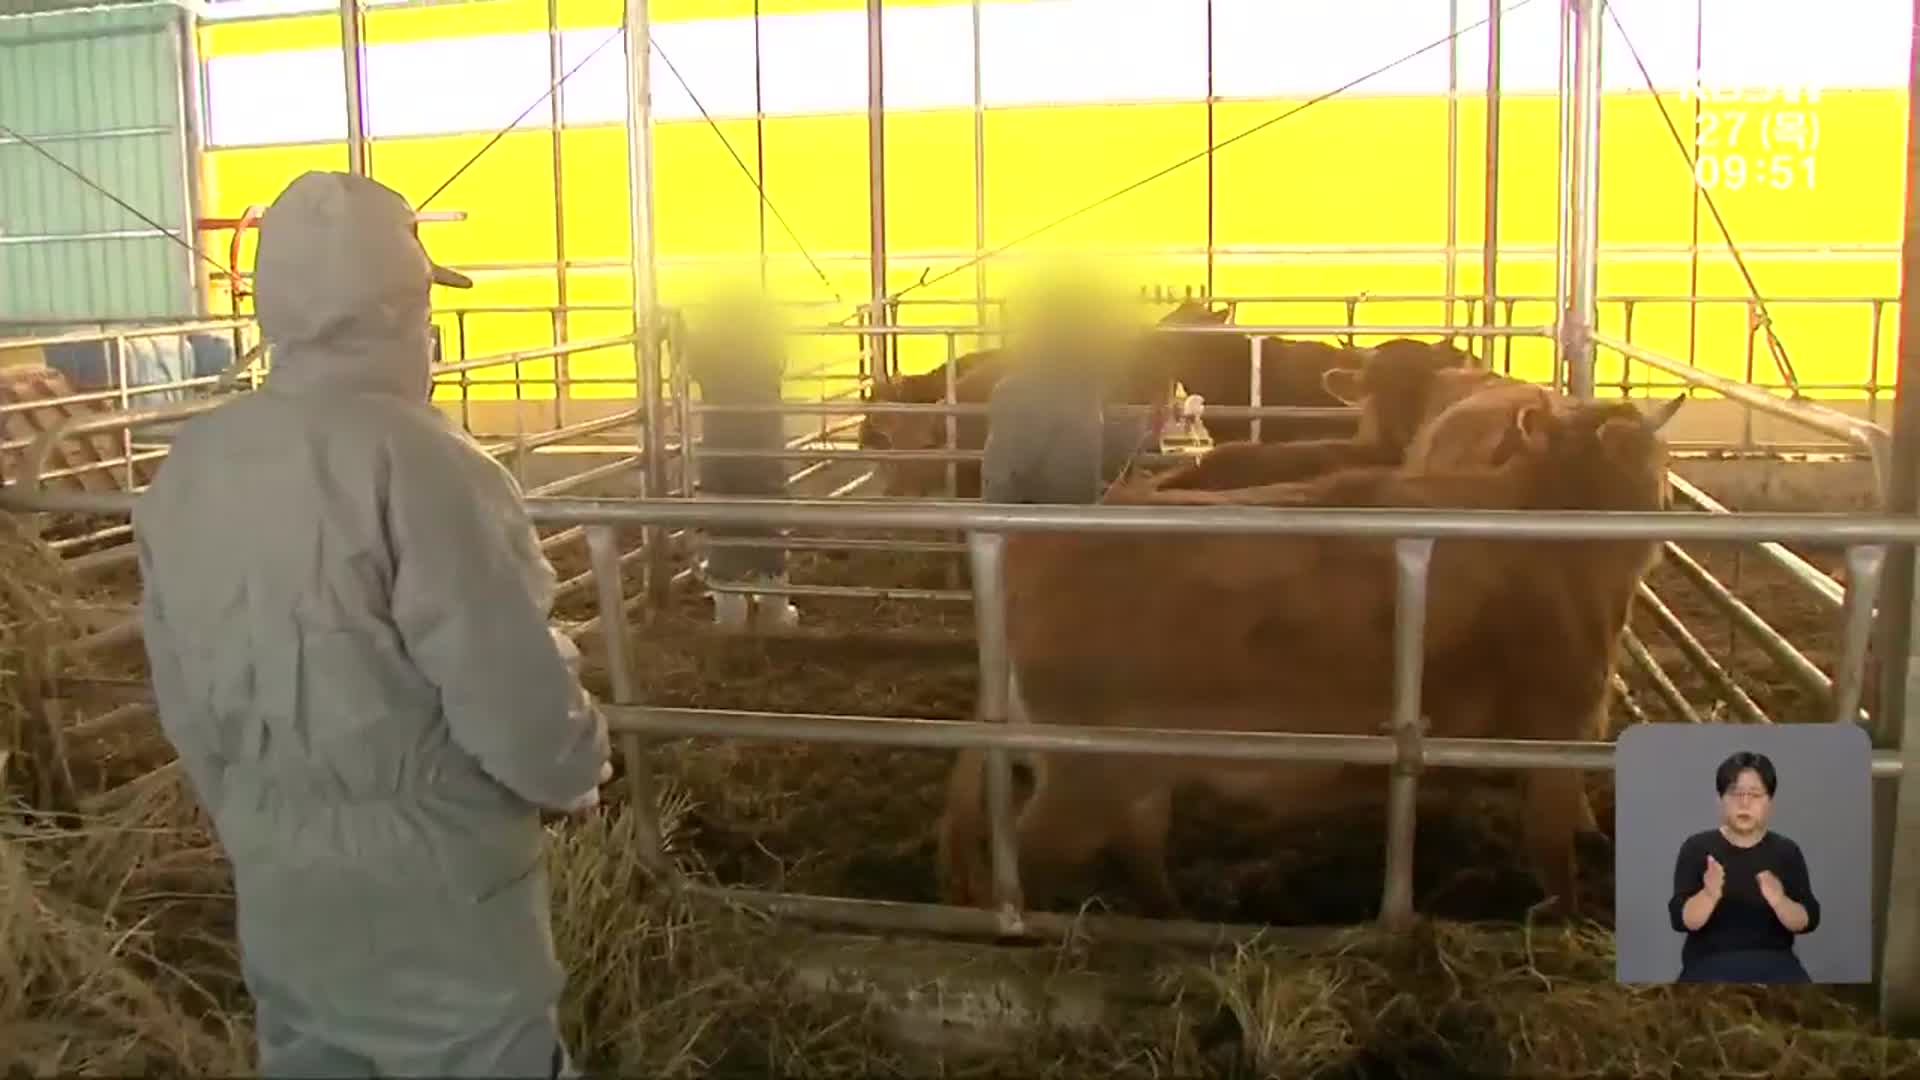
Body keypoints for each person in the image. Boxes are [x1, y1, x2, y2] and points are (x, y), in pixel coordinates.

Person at [133, 170, 612, 1077]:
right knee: (480, 1054)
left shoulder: (195, 464)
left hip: (279, 863)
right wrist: (576, 770)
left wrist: (249, 813)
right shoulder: (426, 465)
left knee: (315, 1054)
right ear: (396, 310)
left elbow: (180, 691)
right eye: (423, 305)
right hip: (434, 870)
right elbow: (505, 689)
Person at [679, 294, 800, 632]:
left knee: (724, 525)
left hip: (722, 454)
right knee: (768, 525)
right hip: (763, 452)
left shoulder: (711, 351)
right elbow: (779, 362)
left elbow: (689, 361)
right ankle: (774, 612)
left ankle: (730, 614)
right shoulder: (765, 350)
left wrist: (681, 330)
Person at [1667, 750, 1821, 983]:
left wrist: (1779, 900)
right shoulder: (1697, 847)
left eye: (1755, 794)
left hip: (1776, 965)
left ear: (1770, 802)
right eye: (1735, 793)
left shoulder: (1786, 851)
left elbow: (1808, 920)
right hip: (1709, 965)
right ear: (1720, 800)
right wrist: (1709, 895)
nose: (1745, 802)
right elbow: (1680, 920)